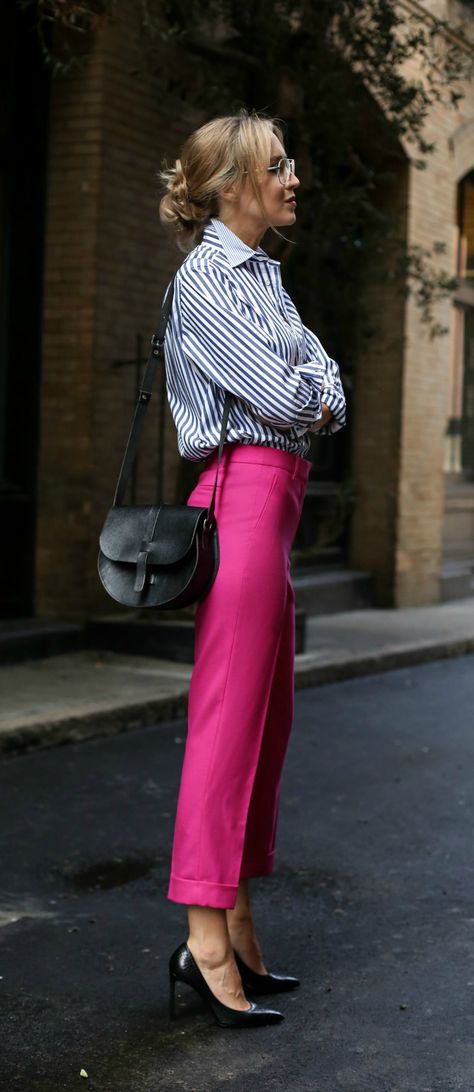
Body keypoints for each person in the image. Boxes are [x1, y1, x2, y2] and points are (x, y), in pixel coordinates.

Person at [159, 109, 346, 1029]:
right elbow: (287, 391)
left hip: (277, 504)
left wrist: (309, 385)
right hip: (238, 497)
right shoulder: (205, 280)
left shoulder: (265, 277)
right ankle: (201, 932)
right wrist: (308, 386)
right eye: (278, 165)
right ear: (230, 186)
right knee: (228, 722)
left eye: (291, 162)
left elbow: (328, 384)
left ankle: (233, 913)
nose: (293, 176)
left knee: (267, 722)